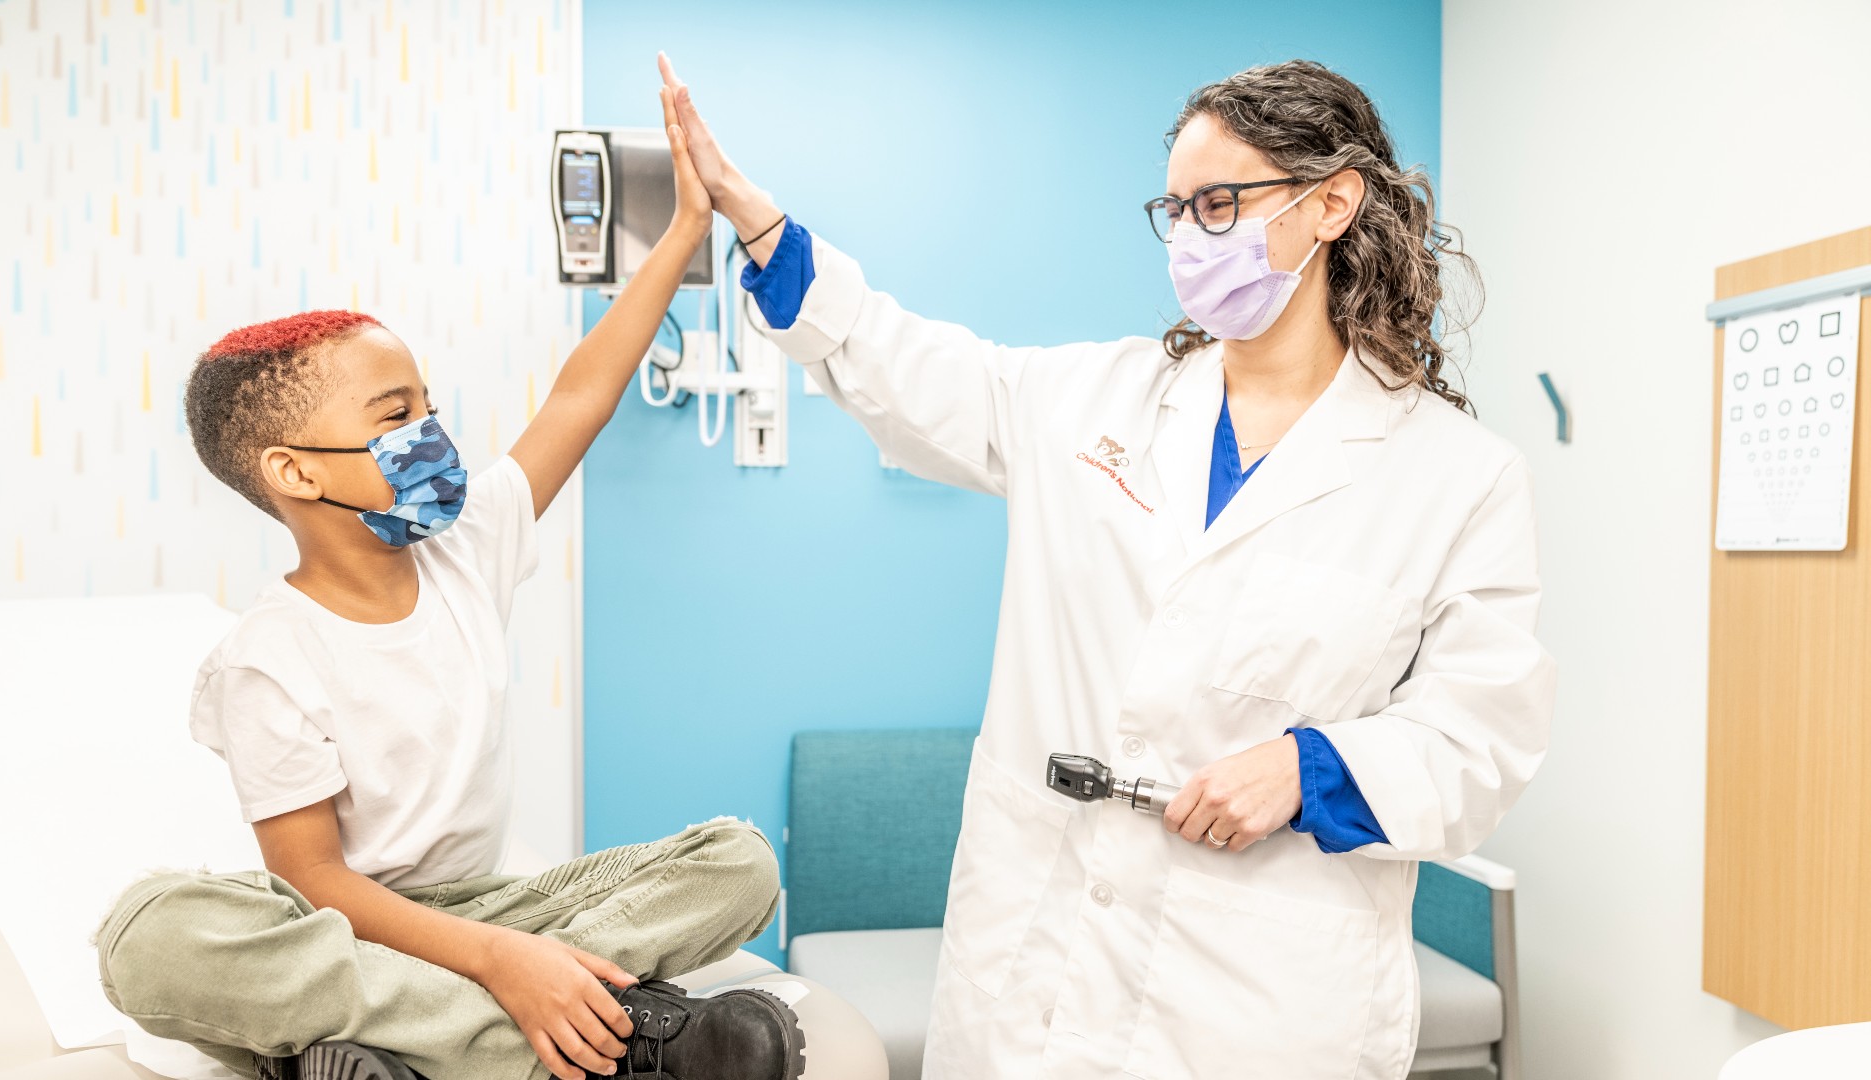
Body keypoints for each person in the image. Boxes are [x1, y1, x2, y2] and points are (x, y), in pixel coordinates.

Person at [660, 54, 1555, 1079]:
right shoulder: (1094, 401)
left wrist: (1310, 770)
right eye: (1174, 209)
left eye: (1219, 203)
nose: (1188, 238)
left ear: (1332, 205)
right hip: (1035, 968)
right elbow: (905, 363)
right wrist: (765, 231)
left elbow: (1484, 733)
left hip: (1263, 997)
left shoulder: (1457, 476)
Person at [92, 85, 807, 1080]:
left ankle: (383, 1046)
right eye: (395, 415)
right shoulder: (268, 659)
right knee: (149, 939)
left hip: (492, 905)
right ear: (296, 472)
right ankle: (631, 1031)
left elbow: (582, 393)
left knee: (740, 864)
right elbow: (316, 882)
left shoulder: (466, 543)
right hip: (345, 923)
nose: (431, 431)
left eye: (429, 403)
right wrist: (502, 967)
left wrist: (690, 223)